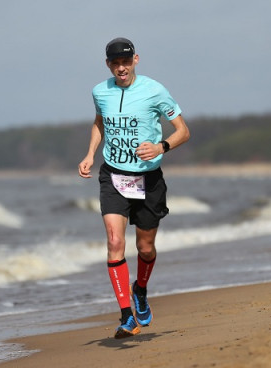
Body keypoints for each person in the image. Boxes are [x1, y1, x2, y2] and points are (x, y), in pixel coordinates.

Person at [78, 37, 190, 339]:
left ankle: (140, 290)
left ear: (135, 60)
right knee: (115, 242)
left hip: (148, 179)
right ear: (108, 64)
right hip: (113, 176)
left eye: (125, 61)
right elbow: (99, 123)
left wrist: (160, 146)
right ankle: (127, 315)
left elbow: (183, 131)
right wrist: (90, 154)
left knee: (145, 247)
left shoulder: (155, 90)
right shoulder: (100, 92)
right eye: (115, 63)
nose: (121, 67)